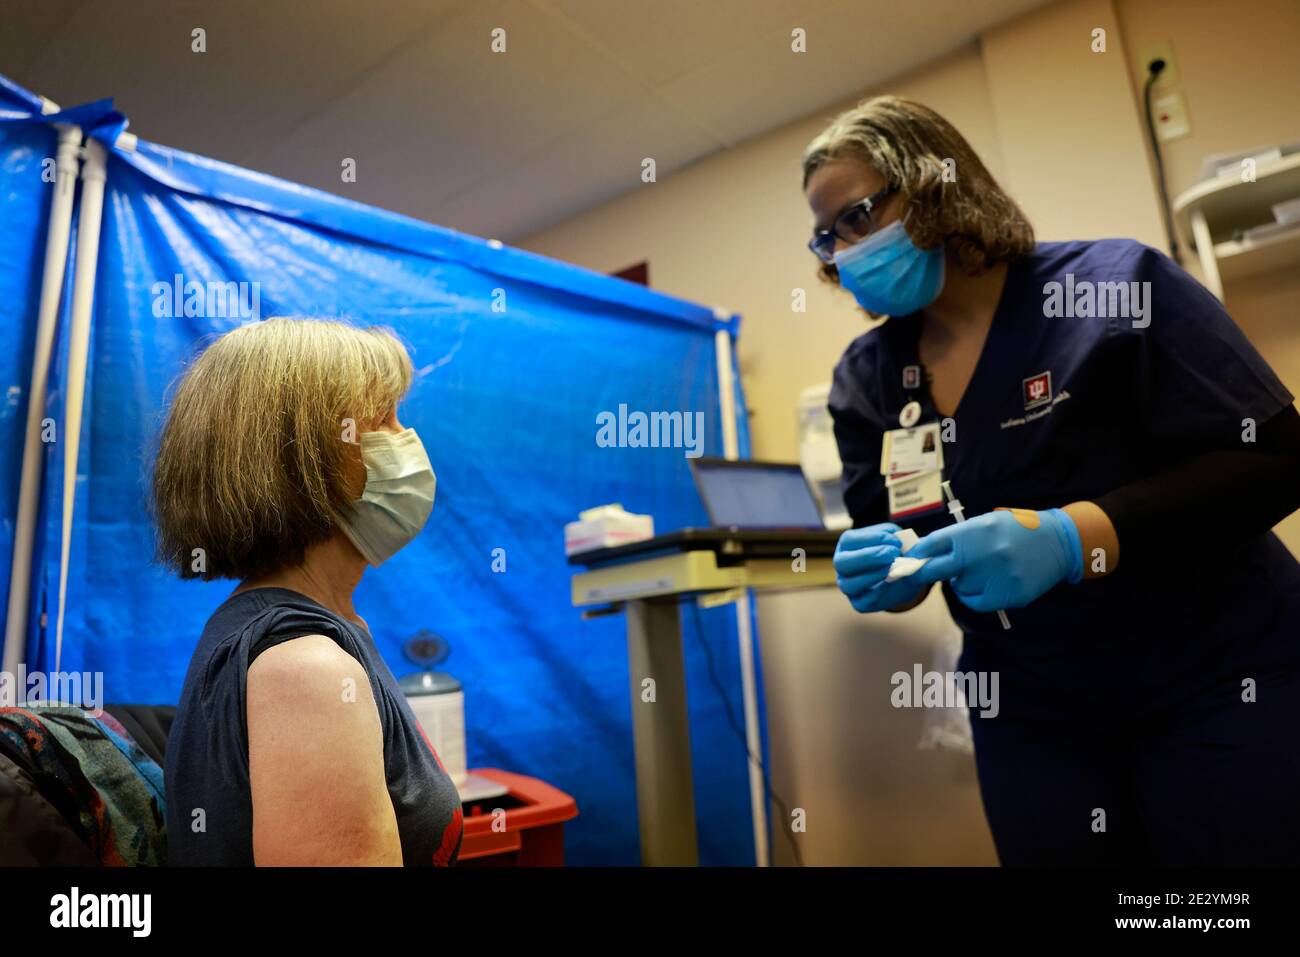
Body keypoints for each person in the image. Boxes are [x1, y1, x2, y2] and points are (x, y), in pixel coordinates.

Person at [803, 95, 1300, 865]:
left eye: (860, 215)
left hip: (1217, 676)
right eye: (826, 235)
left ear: (935, 182)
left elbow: (1274, 456)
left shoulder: (1112, 286)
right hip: (1033, 717)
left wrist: (1076, 538)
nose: (842, 250)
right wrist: (885, 571)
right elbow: (899, 530)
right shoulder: (868, 380)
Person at [154, 317, 462, 866]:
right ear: (306, 458)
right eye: (384, 419)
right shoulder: (306, 669)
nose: (407, 440)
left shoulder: (303, 632)